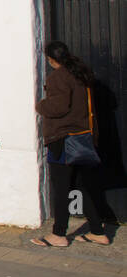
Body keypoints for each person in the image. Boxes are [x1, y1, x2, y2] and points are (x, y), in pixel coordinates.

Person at [31, 41, 111, 248]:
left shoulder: (58, 77)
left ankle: (58, 235)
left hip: (63, 140)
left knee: (61, 188)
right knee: (85, 186)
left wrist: (41, 105)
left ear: (50, 58)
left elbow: (59, 106)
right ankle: (97, 231)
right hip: (83, 138)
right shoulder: (81, 73)